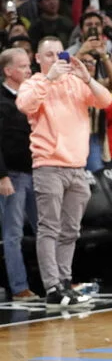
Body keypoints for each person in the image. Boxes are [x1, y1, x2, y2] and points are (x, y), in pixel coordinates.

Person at [16, 36, 112, 308]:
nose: (56, 59)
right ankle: (52, 287)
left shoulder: (75, 83)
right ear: (37, 58)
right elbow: (24, 105)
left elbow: (105, 101)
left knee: (71, 229)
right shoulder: (34, 83)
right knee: (49, 228)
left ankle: (65, 280)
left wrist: (87, 78)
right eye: (49, 55)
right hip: (48, 165)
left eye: (60, 54)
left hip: (77, 168)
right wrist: (49, 80)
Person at [0, 48, 39, 301]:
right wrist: (1, 176)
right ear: (8, 71)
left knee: (46, 230)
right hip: (12, 175)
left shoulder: (31, 96)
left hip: (37, 171)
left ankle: (57, 280)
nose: (29, 70)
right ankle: (19, 287)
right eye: (23, 66)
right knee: (12, 233)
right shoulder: (1, 101)